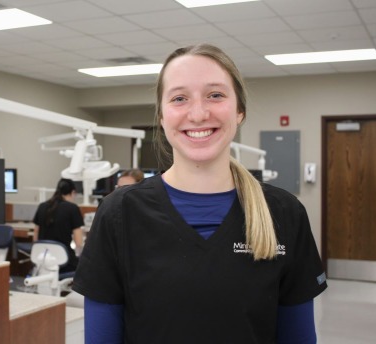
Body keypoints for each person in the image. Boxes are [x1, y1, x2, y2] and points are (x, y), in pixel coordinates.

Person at [72, 43, 328, 343]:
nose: (198, 114)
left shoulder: (283, 214)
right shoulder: (119, 214)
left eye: (215, 95)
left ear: (240, 111)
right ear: (162, 117)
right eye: (179, 98)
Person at [32, 178, 84, 273]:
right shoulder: (73, 208)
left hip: (42, 259)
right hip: (65, 262)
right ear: (73, 192)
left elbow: (35, 236)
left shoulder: (42, 206)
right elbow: (79, 243)